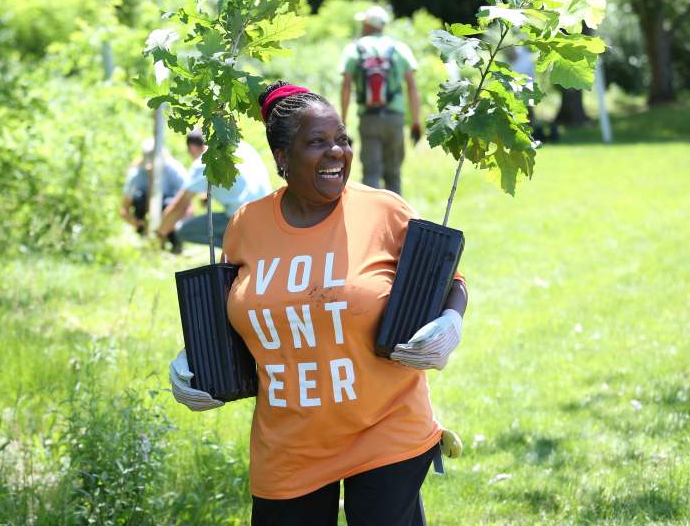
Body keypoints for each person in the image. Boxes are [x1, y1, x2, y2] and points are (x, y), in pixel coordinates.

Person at [168, 82, 469, 526]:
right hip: (288, 445)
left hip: (385, 428)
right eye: (317, 142)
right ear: (282, 158)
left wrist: (450, 321)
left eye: (342, 140)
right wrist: (195, 359)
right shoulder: (246, 226)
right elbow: (238, 310)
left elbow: (449, 280)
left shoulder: (383, 211)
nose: (337, 152)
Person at [339, 5, 423, 196]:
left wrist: (343, 122)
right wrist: (416, 122)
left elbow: (345, 87)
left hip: (369, 119)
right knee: (393, 174)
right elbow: (412, 87)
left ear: (368, 24)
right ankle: (398, 221)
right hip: (395, 119)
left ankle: (372, 222)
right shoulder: (399, 48)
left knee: (371, 173)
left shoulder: (354, 49)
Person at [156, 129, 271, 249]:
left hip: (243, 219)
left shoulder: (204, 161)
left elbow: (179, 205)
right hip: (267, 213)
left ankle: (239, 251)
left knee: (184, 231)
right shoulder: (241, 146)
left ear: (192, 148)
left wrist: (159, 233)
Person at [121, 138, 187, 251]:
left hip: (171, 215)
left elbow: (188, 200)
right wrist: (137, 224)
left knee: (169, 203)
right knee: (140, 198)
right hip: (145, 216)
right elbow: (125, 208)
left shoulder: (174, 170)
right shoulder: (136, 175)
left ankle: (175, 242)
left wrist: (178, 224)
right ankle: (147, 239)